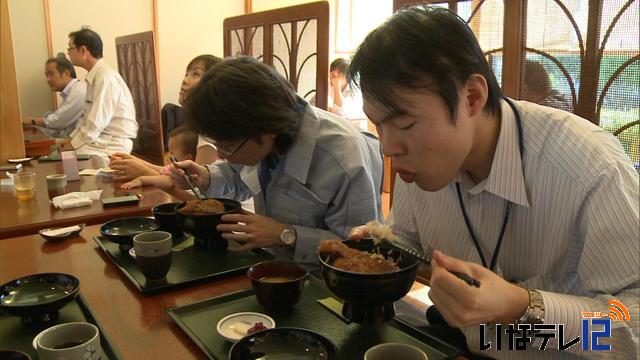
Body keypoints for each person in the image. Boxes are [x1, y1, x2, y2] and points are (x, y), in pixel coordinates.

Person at [348, 5, 638, 358]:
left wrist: (522, 306)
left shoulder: (590, 169)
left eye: (405, 124)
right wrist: (383, 249)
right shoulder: (419, 162)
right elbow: (414, 244)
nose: (389, 148)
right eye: (379, 125)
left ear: (472, 97)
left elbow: (631, 333)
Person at [166, 56, 384, 268]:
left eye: (228, 145)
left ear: (267, 130)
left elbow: (357, 251)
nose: (221, 155)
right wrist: (205, 176)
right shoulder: (262, 136)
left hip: (330, 287)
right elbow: (239, 175)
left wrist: (286, 235)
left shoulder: (342, 158)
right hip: (276, 268)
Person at [110, 54, 221, 181]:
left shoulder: (210, 134)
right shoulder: (201, 126)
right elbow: (177, 174)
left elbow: (198, 192)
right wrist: (137, 162)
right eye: (186, 74)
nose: (185, 80)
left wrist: (144, 172)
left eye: (195, 74)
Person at [58, 28, 138, 157]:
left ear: (83, 50)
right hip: (101, 140)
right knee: (63, 155)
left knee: (68, 158)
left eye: (70, 49)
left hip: (113, 143)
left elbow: (95, 123)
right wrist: (70, 140)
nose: (68, 53)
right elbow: (86, 118)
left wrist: (72, 145)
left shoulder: (105, 77)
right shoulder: (95, 75)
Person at [23, 53, 86, 138]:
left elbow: (57, 121)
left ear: (66, 73)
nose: (48, 79)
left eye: (51, 74)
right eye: (46, 75)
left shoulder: (78, 91)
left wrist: (32, 120)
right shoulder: (69, 93)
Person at [121, 126, 197, 195]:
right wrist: (136, 160)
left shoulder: (187, 173)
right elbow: (163, 170)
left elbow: (168, 181)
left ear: (187, 158)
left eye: (172, 153)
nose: (169, 156)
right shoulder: (175, 167)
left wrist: (141, 180)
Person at [327, 58, 366, 122]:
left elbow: (338, 112)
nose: (332, 78)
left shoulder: (354, 90)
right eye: (331, 74)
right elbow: (314, 105)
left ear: (346, 76)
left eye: (336, 75)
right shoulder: (328, 86)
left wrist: (337, 87)